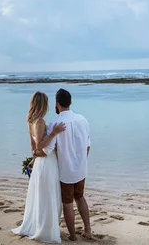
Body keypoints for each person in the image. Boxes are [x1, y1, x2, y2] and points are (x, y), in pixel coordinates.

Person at [12, 92, 66, 243]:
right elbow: (39, 145)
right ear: (43, 104)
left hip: (40, 163)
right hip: (47, 163)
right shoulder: (40, 122)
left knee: (42, 196)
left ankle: (41, 225)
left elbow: (32, 146)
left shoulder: (30, 121)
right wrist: (54, 133)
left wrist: (34, 158)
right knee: (49, 195)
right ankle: (46, 229)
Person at [40, 88, 92, 241]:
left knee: (68, 203)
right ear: (71, 102)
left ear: (57, 104)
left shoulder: (55, 124)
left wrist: (35, 155)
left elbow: (47, 150)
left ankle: (72, 235)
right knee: (80, 197)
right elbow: (88, 145)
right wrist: (82, 160)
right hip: (81, 168)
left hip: (65, 171)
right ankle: (88, 229)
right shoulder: (82, 119)